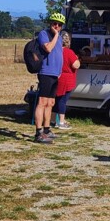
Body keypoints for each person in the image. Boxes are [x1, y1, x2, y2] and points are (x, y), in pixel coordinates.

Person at [33, 12, 65, 143]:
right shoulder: (44, 34)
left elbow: (59, 53)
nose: (56, 26)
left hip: (55, 74)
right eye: (54, 24)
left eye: (59, 25)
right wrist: (56, 35)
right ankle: (38, 132)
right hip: (46, 72)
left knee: (50, 103)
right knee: (42, 102)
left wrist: (60, 70)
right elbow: (48, 49)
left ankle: (47, 129)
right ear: (50, 24)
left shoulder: (60, 38)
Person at [52, 31, 81, 130]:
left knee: (56, 100)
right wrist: (77, 59)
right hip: (67, 80)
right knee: (63, 101)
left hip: (57, 78)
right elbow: (75, 65)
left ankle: (52, 120)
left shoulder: (55, 50)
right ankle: (61, 122)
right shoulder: (69, 52)